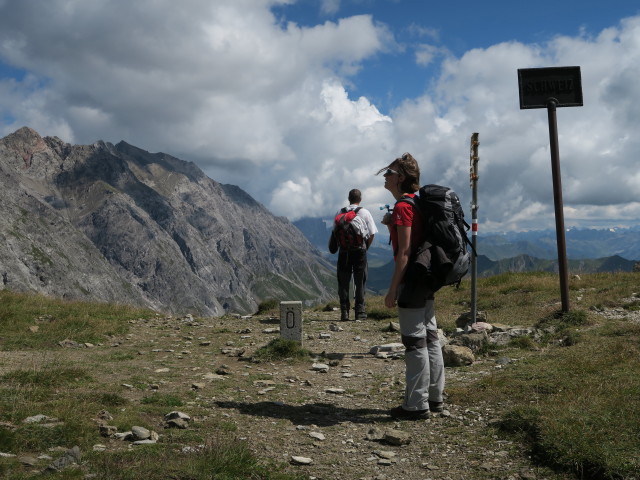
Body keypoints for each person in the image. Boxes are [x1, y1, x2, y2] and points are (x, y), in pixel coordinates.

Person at [377, 153, 445, 419]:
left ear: (401, 178)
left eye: (389, 173)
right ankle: (435, 398)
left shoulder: (403, 208)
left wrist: (393, 288)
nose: (385, 176)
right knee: (430, 337)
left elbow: (404, 252)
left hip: (412, 280)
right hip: (427, 276)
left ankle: (416, 405)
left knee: (414, 343)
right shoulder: (415, 204)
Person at [331, 189, 378, 321]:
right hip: (359, 251)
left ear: (348, 198)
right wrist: (365, 247)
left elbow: (334, 232)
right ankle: (360, 311)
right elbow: (372, 233)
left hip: (344, 252)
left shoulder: (340, 212)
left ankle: (344, 312)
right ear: (360, 199)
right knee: (360, 280)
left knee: (343, 281)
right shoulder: (365, 212)